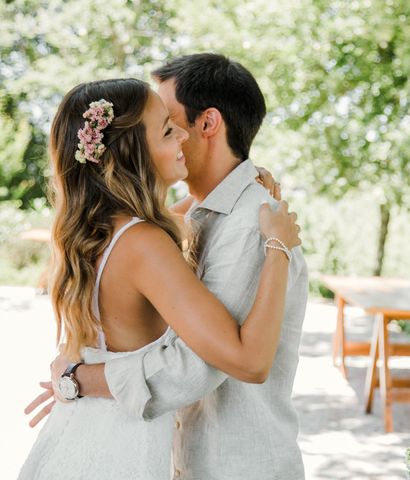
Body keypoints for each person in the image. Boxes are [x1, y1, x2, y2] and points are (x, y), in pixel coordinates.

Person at [27, 54, 309, 480]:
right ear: (132, 148)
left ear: (208, 124)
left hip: (233, 468)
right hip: (143, 452)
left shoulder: (248, 223)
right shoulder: (157, 231)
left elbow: (204, 365)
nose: (175, 136)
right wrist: (79, 379)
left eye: (171, 121)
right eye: (164, 129)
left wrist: (84, 379)